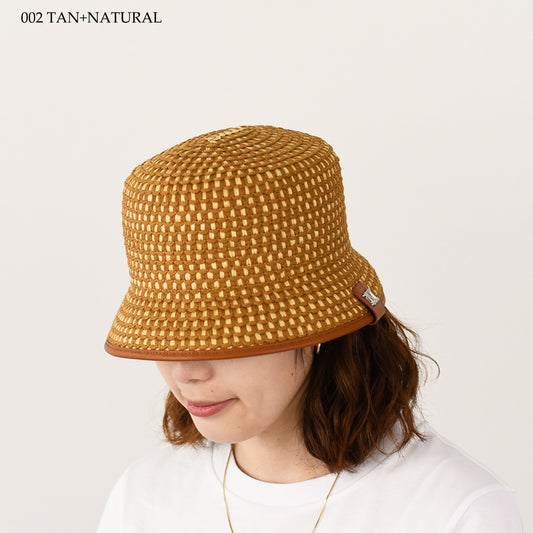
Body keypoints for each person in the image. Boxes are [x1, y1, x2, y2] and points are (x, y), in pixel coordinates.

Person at [97, 125, 522, 532]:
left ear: (317, 329)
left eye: (223, 337)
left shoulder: (453, 512)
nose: (186, 371)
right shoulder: (144, 498)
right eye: (168, 338)